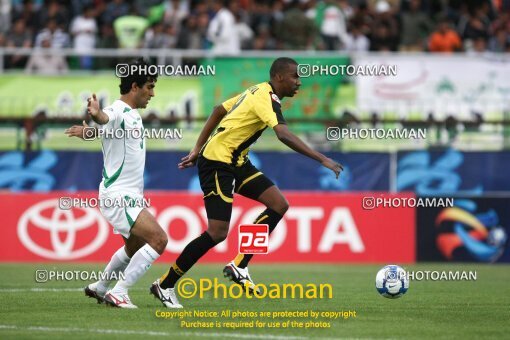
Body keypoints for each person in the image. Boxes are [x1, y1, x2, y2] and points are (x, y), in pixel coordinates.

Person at [151, 57, 343, 308]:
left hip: (236, 161)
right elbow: (282, 134)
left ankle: (239, 264)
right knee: (217, 232)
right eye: (295, 77)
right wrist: (322, 158)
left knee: (278, 204)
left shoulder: (257, 90)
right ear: (279, 77)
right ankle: (165, 284)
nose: (299, 82)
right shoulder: (267, 97)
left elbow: (219, 109)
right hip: (218, 162)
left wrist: (197, 146)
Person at [64, 58, 173, 309]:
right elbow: (105, 118)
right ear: (134, 87)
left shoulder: (131, 115)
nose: (153, 93)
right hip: (119, 195)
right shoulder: (118, 111)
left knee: (134, 245)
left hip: (129, 195)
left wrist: (88, 132)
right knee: (158, 240)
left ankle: (100, 287)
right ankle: (120, 292)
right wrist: (96, 114)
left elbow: (105, 130)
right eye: (149, 87)